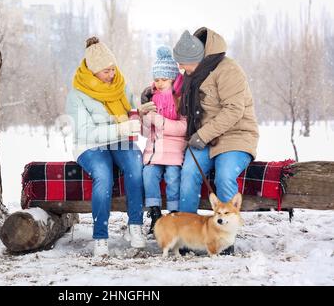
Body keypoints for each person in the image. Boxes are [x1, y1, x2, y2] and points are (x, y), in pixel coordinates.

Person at [173, 27, 259, 254]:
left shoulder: (229, 70)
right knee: (189, 173)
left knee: (224, 175)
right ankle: (187, 237)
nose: (180, 68)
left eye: (183, 63)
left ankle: (226, 241)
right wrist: (151, 95)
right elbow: (178, 102)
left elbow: (233, 111)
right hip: (206, 138)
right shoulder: (192, 75)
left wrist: (201, 135)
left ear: (198, 59)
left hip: (236, 135)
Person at [66, 36, 153, 257]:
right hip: (89, 145)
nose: (112, 75)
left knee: (136, 166)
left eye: (113, 69)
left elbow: (131, 107)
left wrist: (140, 112)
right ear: (93, 71)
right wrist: (120, 129)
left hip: (120, 140)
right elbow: (86, 132)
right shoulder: (77, 95)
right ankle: (100, 237)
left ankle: (135, 225)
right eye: (106, 71)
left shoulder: (120, 85)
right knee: (104, 176)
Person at [139, 46, 187, 234]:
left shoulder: (180, 99)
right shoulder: (151, 99)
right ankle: (155, 214)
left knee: (173, 178)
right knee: (148, 176)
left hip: (174, 152)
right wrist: (143, 117)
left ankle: (174, 214)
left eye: (164, 79)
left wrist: (161, 121)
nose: (159, 83)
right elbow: (144, 133)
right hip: (154, 152)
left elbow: (184, 127)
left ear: (173, 78)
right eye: (157, 79)